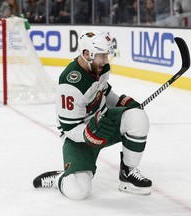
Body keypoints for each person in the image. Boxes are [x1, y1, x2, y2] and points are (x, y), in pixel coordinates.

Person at [33, 30, 152, 200]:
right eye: (101, 56)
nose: (105, 60)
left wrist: (121, 102)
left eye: (106, 55)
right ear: (87, 54)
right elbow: (68, 128)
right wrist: (88, 134)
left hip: (104, 121)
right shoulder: (70, 83)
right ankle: (61, 178)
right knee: (78, 192)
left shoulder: (99, 67)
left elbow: (102, 90)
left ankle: (128, 174)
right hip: (79, 136)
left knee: (137, 117)